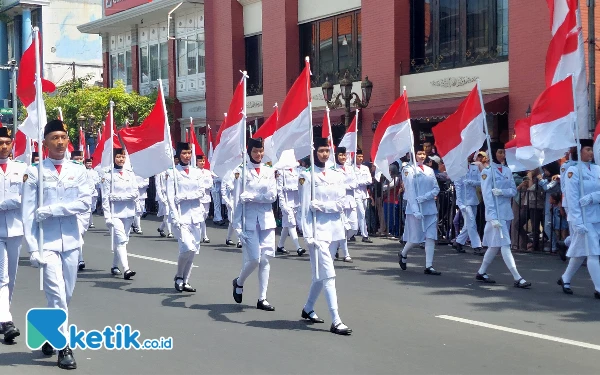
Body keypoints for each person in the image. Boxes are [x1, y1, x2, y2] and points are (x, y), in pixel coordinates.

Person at [22, 119, 92, 369]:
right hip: (47, 243)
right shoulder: (34, 172)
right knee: (57, 295)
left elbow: (85, 203)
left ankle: (48, 332)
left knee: (68, 294)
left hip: (72, 241)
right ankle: (64, 347)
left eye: (63, 137)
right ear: (45, 143)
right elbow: (28, 213)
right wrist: (32, 248)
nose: (60, 142)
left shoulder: (79, 171)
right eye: (55, 138)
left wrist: (54, 209)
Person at [298, 136, 352, 335]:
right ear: (315, 152)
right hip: (317, 230)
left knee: (319, 275)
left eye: (327, 151)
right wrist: (306, 233)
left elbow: (342, 202)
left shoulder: (337, 175)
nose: (325, 154)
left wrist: (322, 206)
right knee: (329, 274)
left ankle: (308, 308)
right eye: (321, 151)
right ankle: (336, 320)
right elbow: (303, 209)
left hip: (334, 229)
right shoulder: (307, 175)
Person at [231, 137, 278, 311]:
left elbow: (272, 196)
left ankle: (262, 298)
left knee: (265, 259)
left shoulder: (269, 170)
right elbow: (237, 200)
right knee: (254, 259)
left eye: (261, 151)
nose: (259, 154)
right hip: (248, 220)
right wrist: (236, 226)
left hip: (266, 219)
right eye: (255, 151)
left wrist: (253, 197)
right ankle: (239, 281)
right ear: (249, 151)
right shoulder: (241, 171)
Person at [476, 142, 531, 288]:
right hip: (495, 214)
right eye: (500, 152)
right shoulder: (487, 172)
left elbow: (513, 191)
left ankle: (481, 271)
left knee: (494, 246)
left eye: (503, 152)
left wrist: (502, 192)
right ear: (494, 154)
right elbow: (487, 196)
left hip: (506, 212)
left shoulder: (507, 170)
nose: (502, 155)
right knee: (505, 245)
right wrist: (493, 217)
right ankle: (517, 277)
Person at [558, 139, 600, 299]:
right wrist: (577, 221)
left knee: (581, 252)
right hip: (583, 217)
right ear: (580, 151)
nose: (590, 152)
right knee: (593, 253)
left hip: (596, 215)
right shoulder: (573, 171)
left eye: (591, 149)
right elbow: (572, 198)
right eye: (587, 149)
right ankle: (598, 288)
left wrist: (593, 197)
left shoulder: (597, 169)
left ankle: (565, 278)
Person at [167, 142, 206, 292]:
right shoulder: (173, 173)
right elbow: (171, 197)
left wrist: (184, 196)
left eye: (189, 153)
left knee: (194, 250)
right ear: (178, 154)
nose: (187, 156)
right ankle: (178, 275)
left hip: (196, 215)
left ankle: (186, 279)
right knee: (186, 248)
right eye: (184, 153)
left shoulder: (197, 172)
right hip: (181, 216)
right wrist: (174, 215)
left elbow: (201, 192)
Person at [0, 127, 27, 343]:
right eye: (0, 142)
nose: (4, 146)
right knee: (1, 276)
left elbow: (26, 197)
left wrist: (7, 204)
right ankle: (7, 320)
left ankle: (2, 315)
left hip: (16, 228)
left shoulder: (22, 168)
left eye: (7, 142)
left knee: (12, 276)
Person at [398, 145, 441, 275]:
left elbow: (436, 188)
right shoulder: (408, 169)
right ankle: (403, 253)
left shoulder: (429, 169)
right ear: (413, 154)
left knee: (431, 237)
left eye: (423, 153)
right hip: (414, 208)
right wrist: (416, 208)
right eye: (419, 153)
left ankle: (429, 266)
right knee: (415, 238)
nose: (422, 156)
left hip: (429, 207)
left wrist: (425, 197)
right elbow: (410, 190)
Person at [101, 148, 138, 280]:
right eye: (118, 157)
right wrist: (107, 217)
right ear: (113, 158)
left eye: (123, 157)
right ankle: (126, 269)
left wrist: (118, 197)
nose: (121, 159)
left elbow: (135, 193)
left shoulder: (130, 174)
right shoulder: (107, 175)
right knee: (121, 240)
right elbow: (105, 198)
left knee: (123, 241)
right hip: (115, 213)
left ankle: (114, 265)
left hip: (128, 212)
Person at [453, 153, 484, 255]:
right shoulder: (458, 170)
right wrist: (460, 203)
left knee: (468, 224)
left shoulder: (474, 168)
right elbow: (457, 187)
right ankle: (477, 246)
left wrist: (471, 182)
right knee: (472, 223)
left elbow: (481, 181)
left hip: (473, 199)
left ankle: (458, 242)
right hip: (464, 201)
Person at [275, 165, 305, 256]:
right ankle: (298, 247)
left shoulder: (299, 170)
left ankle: (280, 246)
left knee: (287, 225)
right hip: (286, 202)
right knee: (292, 224)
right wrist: (283, 205)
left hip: (296, 202)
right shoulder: (281, 171)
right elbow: (279, 190)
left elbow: (302, 185)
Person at [334, 147, 356, 263]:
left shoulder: (350, 168)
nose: (343, 157)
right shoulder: (333, 169)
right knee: (342, 229)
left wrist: (345, 185)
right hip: (340, 202)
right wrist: (347, 185)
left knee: (354, 227)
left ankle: (337, 244)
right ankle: (346, 254)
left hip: (351, 201)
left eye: (344, 155)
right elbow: (336, 185)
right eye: (340, 155)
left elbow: (355, 183)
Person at [70, 151, 91, 271]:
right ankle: (80, 259)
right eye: (76, 158)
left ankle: (75, 255)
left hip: (85, 210)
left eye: (80, 158)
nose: (78, 160)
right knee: (77, 234)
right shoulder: (69, 171)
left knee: (81, 234)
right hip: (74, 208)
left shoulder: (88, 172)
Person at [354, 148, 373, 242]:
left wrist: (359, 182)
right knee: (361, 214)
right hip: (355, 194)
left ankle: (353, 232)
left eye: (362, 156)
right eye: (359, 156)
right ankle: (365, 235)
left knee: (362, 214)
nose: (361, 158)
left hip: (364, 194)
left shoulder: (365, 168)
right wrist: (361, 182)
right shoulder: (351, 168)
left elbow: (369, 180)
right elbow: (353, 182)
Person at [222, 168, 242, 248]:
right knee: (234, 221)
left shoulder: (241, 172)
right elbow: (223, 191)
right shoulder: (226, 176)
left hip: (239, 200)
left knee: (232, 221)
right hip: (231, 201)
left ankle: (228, 238)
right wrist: (227, 202)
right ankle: (240, 240)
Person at [196, 155, 213, 243]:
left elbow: (210, 184)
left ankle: (198, 232)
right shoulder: (195, 172)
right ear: (196, 162)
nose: (202, 163)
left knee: (205, 215)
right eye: (200, 161)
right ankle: (204, 236)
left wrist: (203, 187)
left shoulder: (207, 172)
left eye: (203, 161)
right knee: (201, 216)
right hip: (198, 198)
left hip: (206, 197)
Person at [155, 168, 174, 238]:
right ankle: (170, 232)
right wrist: (161, 198)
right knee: (166, 213)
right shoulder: (159, 172)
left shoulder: (172, 171)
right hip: (163, 196)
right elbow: (158, 186)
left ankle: (161, 228)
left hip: (171, 195)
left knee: (170, 214)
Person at [84, 158, 100, 229]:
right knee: (87, 207)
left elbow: (97, 180)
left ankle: (89, 221)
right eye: (87, 163)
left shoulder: (95, 172)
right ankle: (89, 222)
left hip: (94, 193)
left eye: (90, 163)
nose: (89, 164)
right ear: (85, 164)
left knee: (92, 208)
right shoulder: (83, 172)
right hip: (86, 192)